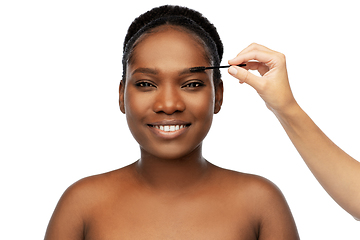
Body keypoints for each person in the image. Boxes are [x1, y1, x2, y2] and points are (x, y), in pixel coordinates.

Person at [44, 5, 300, 240]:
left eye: (192, 84)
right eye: (146, 84)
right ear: (121, 96)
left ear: (218, 96)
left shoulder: (260, 204)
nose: (168, 104)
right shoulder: (81, 205)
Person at [227, 43, 360, 221]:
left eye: (193, 84)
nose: (175, 104)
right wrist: (284, 107)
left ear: (218, 95)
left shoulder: (259, 198)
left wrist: (285, 107)